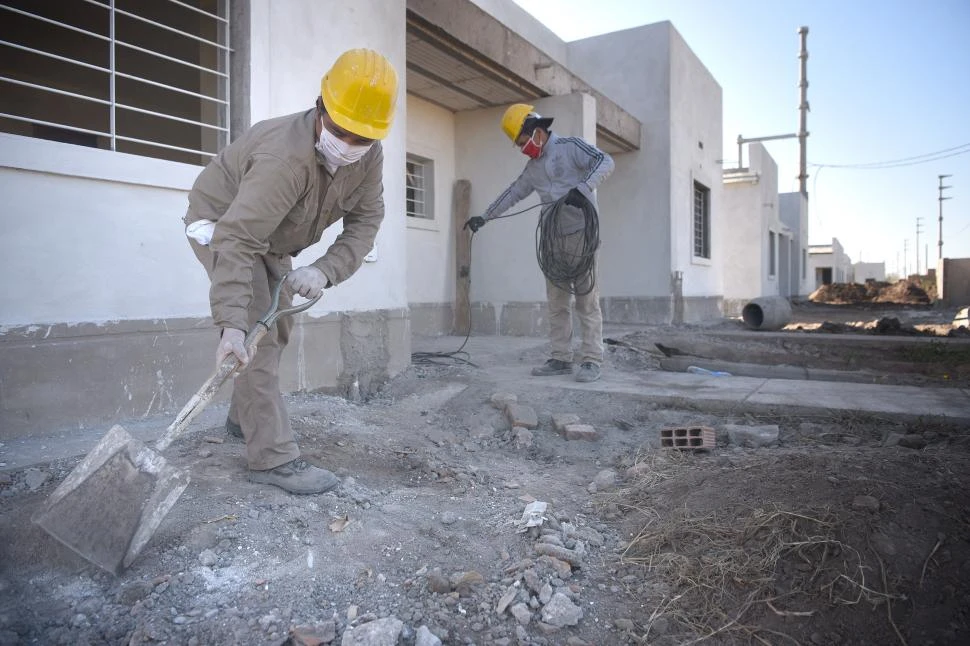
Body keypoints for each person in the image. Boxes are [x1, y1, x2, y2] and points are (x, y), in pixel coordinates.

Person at [182, 49, 397, 494]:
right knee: (253, 332)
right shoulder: (284, 158)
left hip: (274, 237)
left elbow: (366, 222)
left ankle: (245, 419)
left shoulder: (367, 157)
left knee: (275, 331)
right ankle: (272, 457)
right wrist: (230, 327)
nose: (350, 145)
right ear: (322, 106)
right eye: (341, 132)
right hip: (223, 224)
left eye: (363, 137)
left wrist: (325, 269)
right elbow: (238, 240)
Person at [464, 104, 614, 383]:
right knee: (557, 302)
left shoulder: (571, 147)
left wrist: (583, 189)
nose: (524, 149)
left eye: (524, 142)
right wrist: (484, 217)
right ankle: (561, 358)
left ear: (538, 131)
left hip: (582, 234)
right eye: (519, 146)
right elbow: (513, 193)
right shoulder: (532, 169)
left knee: (586, 301)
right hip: (552, 239)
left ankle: (592, 359)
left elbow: (605, 160)